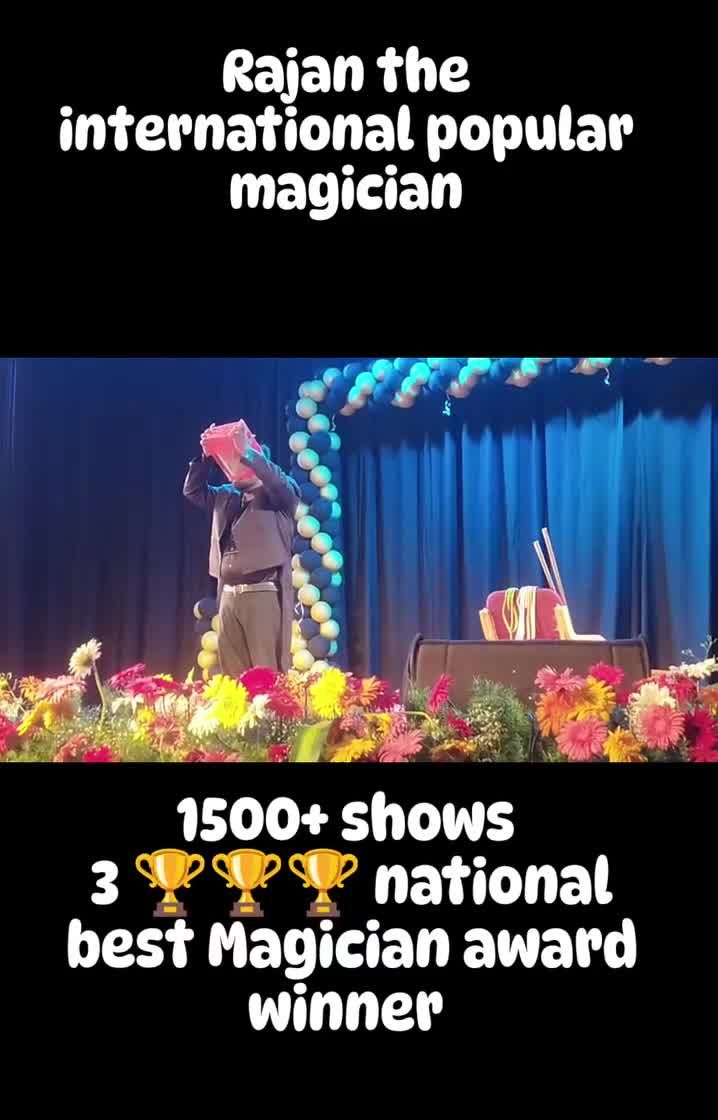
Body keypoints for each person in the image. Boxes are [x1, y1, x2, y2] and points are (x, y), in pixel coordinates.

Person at [183, 422, 299, 674]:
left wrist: (248, 452)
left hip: (262, 595)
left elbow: (277, 481)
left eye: (242, 458)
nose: (236, 464)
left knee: (265, 672)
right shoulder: (225, 495)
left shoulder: (279, 495)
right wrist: (206, 457)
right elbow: (192, 491)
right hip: (228, 595)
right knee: (233, 673)